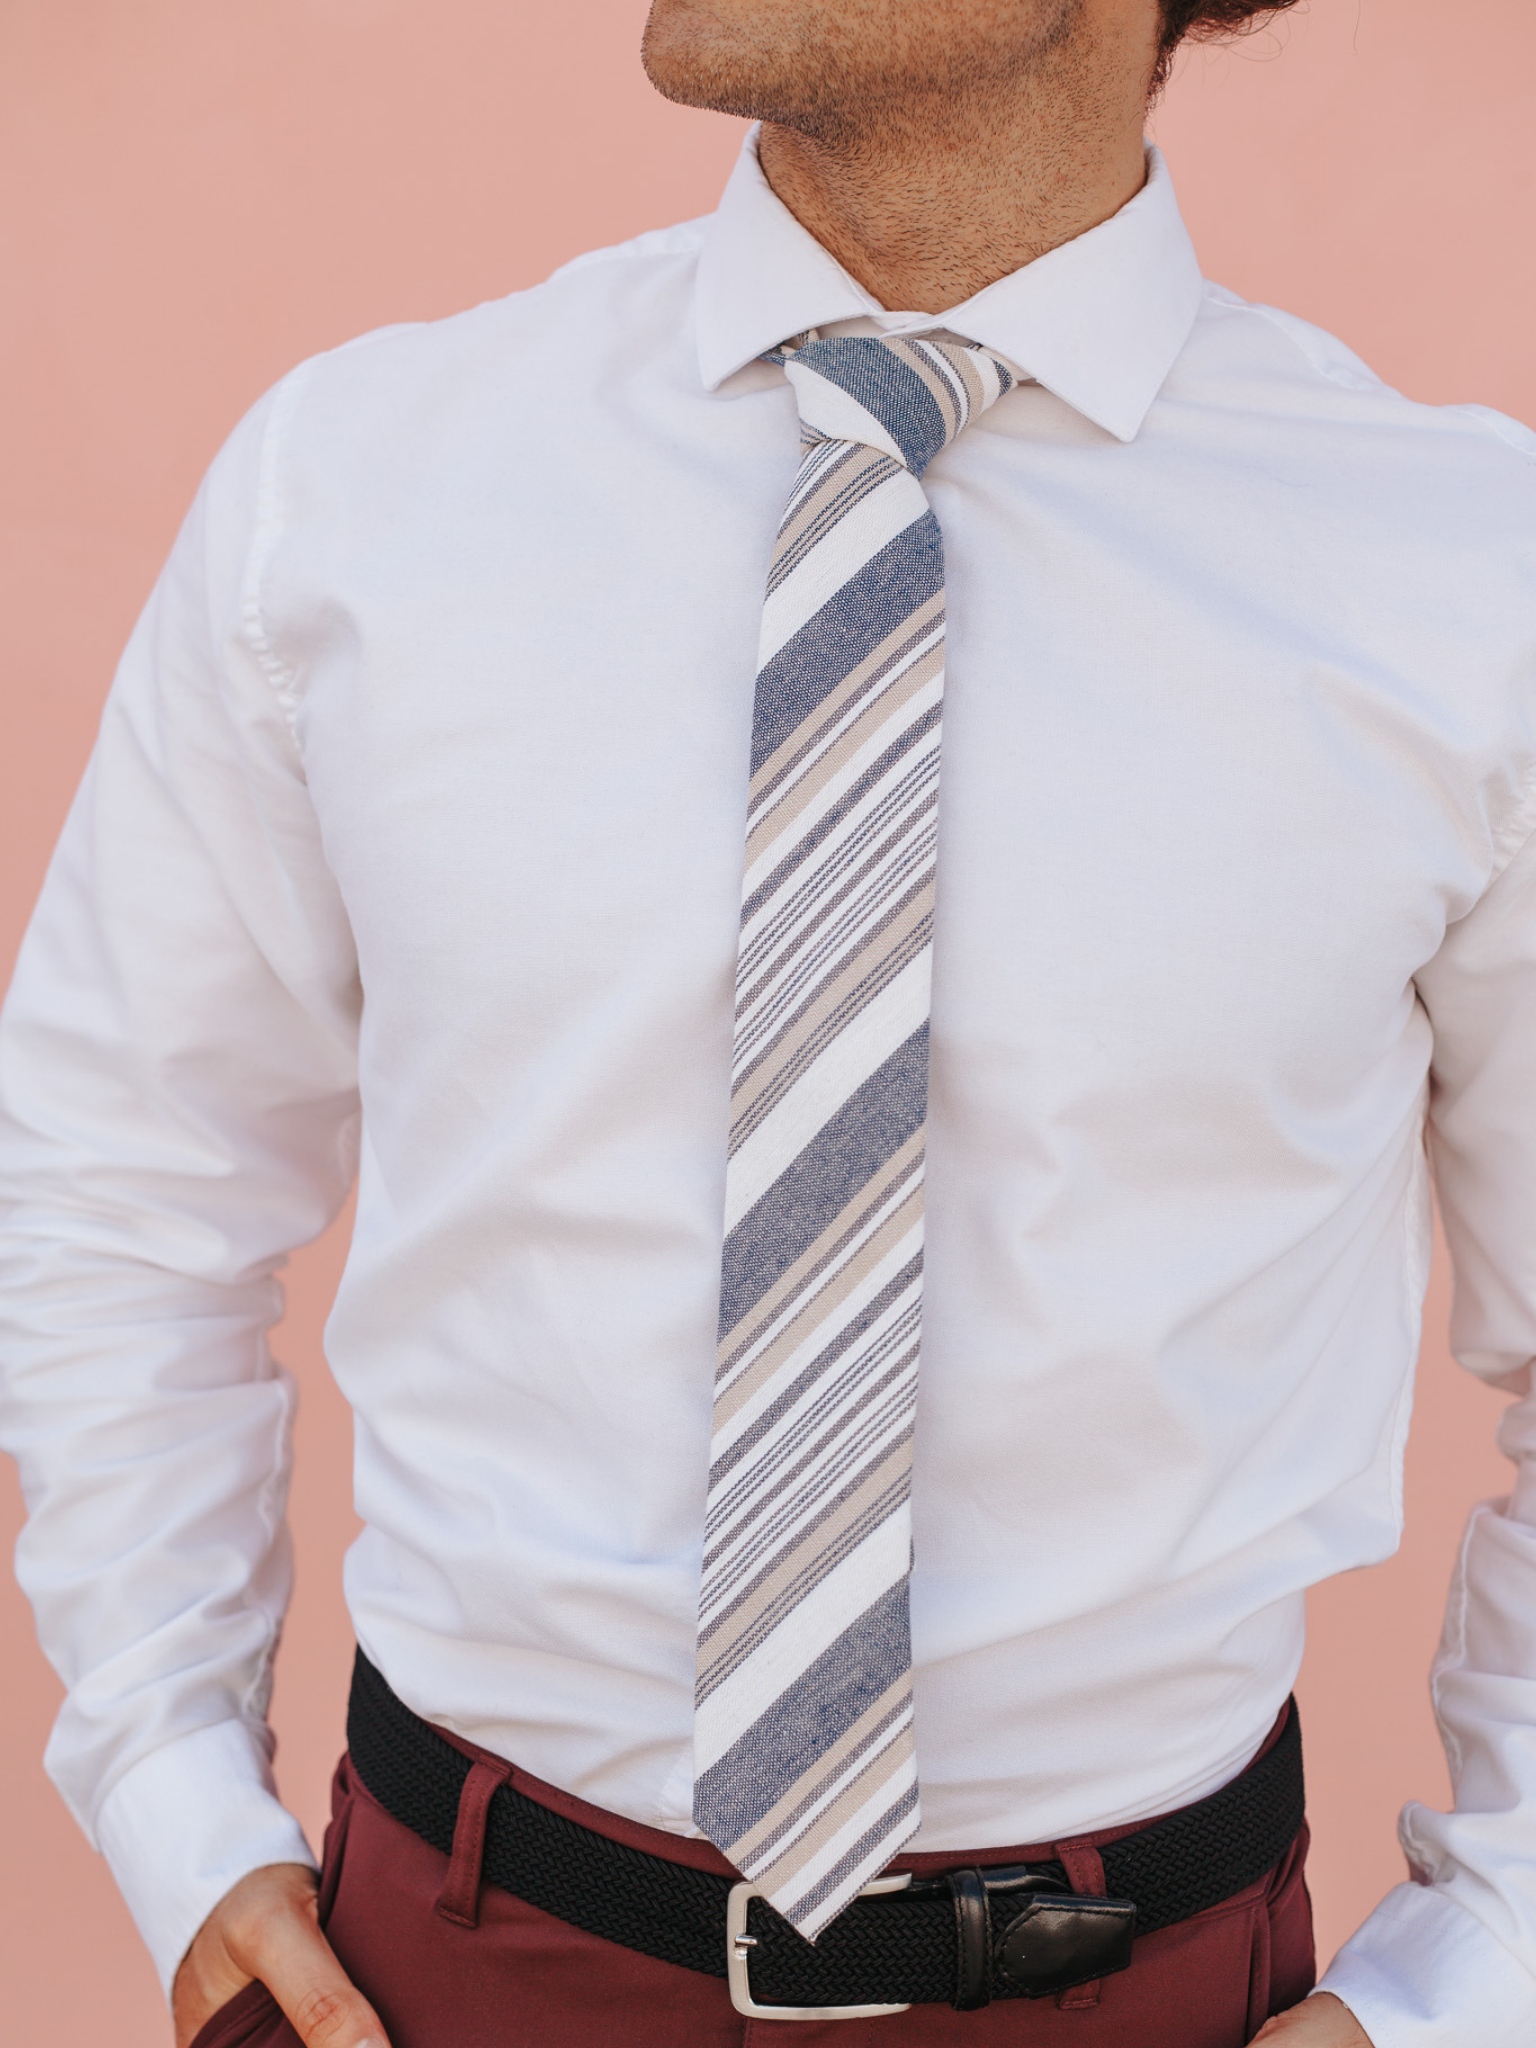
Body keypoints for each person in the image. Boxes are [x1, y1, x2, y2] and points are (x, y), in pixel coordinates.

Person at [3, 0, 1534, 2041]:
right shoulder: (355, 495)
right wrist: (179, 1810)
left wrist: (1461, 1983)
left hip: (1157, 1994)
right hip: (442, 1969)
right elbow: (121, 1183)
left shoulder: (1461, 588)